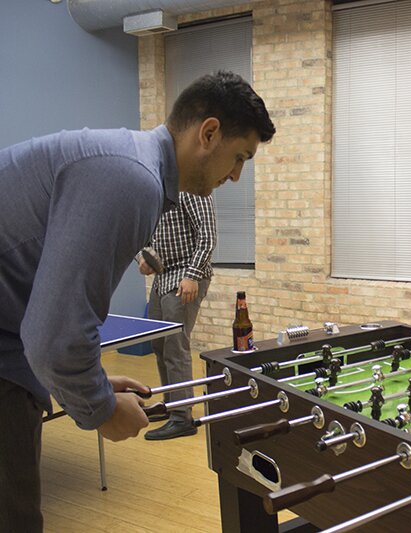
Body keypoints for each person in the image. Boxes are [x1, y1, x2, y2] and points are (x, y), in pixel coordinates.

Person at [0, 70, 275, 532]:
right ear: (208, 133)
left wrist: (98, 382)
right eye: (239, 157)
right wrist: (101, 411)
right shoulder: (132, 179)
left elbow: (50, 317)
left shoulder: (132, 164)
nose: (236, 175)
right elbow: (53, 337)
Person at [137, 191, 217, 440]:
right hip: (162, 279)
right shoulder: (153, 191)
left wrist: (192, 275)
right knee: (158, 343)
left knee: (175, 346)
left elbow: (207, 236)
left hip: (185, 277)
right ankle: (170, 405)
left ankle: (182, 418)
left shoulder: (191, 188)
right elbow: (140, 237)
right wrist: (142, 258)